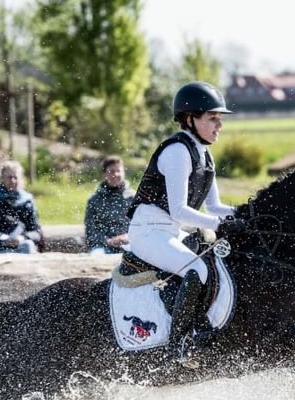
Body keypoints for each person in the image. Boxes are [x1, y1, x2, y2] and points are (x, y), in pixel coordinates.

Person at [126, 81, 248, 363]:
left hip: (171, 233)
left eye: (220, 119)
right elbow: (180, 210)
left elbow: (215, 206)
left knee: (217, 267)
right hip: (148, 233)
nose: (219, 125)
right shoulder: (178, 151)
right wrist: (219, 225)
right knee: (197, 268)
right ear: (190, 119)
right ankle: (179, 345)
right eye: (213, 118)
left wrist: (245, 214)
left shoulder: (204, 153)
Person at [0, 160, 43, 257]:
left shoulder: (27, 202)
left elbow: (36, 233)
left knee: (28, 245)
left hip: (20, 246)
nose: (13, 181)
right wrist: (3, 238)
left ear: (21, 179)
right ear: (2, 178)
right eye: (9, 177)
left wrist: (22, 238)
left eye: (15, 177)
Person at [84, 155, 135, 254]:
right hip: (102, 246)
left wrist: (128, 237)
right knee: (97, 256)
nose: (115, 174)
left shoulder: (133, 198)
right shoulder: (94, 200)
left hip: (129, 243)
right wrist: (108, 241)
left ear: (124, 173)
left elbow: (142, 225)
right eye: (111, 171)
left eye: (118, 171)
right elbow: (90, 231)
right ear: (104, 175)